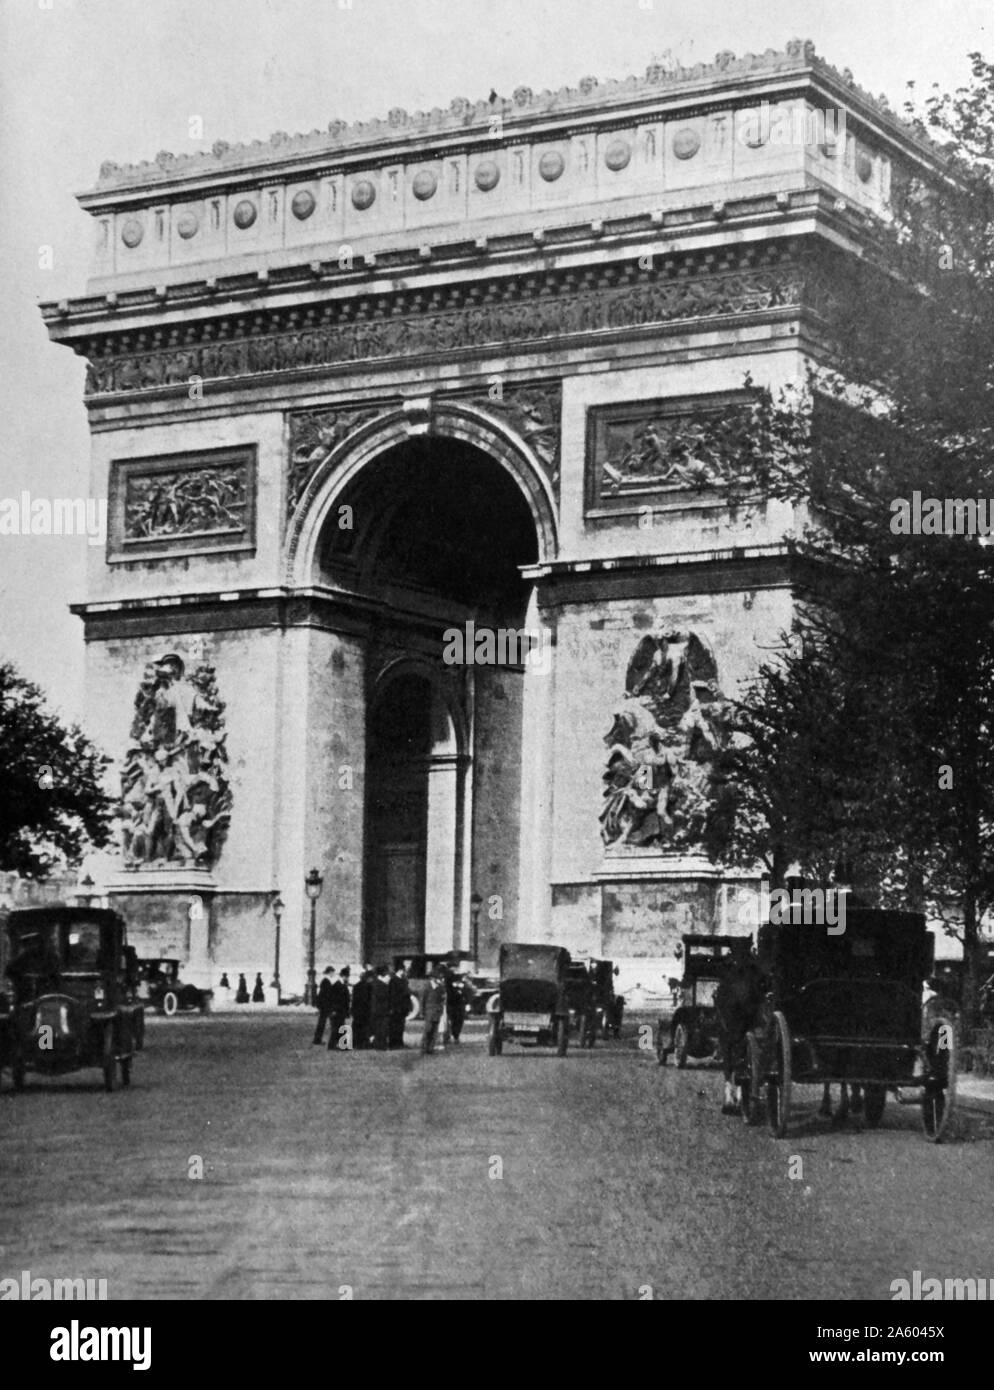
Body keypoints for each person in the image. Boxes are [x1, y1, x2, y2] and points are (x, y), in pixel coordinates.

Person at [422, 965, 447, 1054]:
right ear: (433, 978)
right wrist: (422, 1011)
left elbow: (443, 997)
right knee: (428, 1029)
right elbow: (423, 1000)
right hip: (429, 1010)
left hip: (437, 1011)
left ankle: (430, 1048)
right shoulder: (427, 987)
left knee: (434, 1030)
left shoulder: (440, 987)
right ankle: (424, 1047)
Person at [388, 963, 412, 1049]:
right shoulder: (394, 980)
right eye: (404, 970)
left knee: (400, 1026)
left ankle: (399, 1042)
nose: (405, 972)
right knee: (395, 1026)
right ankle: (394, 1043)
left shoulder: (402, 980)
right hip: (397, 1007)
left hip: (402, 1008)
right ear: (400, 970)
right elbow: (393, 995)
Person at [328, 966, 351, 1052]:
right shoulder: (337, 985)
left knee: (341, 1027)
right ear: (344, 976)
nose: (348, 979)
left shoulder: (340, 985)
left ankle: (342, 1045)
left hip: (341, 1010)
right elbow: (333, 999)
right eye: (347, 977)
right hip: (337, 1010)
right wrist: (333, 1010)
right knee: (336, 1028)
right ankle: (332, 1045)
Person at [369, 964, 392, 1049]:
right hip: (381, 1010)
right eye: (386, 972)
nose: (388, 974)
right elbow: (383, 996)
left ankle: (380, 1044)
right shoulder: (380, 984)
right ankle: (381, 1045)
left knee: (380, 1027)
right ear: (383, 973)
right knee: (382, 1028)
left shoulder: (375, 982)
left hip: (376, 1009)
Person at [351, 965, 373, 1049]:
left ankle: (355, 1043)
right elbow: (368, 1000)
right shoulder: (369, 987)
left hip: (356, 1010)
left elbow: (354, 999)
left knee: (356, 1027)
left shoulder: (356, 986)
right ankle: (363, 1043)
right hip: (365, 1010)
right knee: (365, 1027)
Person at [313, 966, 336, 1044]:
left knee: (323, 1022)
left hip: (324, 1005)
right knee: (331, 1022)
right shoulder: (326, 981)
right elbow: (327, 995)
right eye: (333, 972)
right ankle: (333, 1040)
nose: (333, 974)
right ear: (330, 972)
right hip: (326, 1005)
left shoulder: (325, 981)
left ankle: (317, 1039)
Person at [446, 969, 467, 1044]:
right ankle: (453, 1036)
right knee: (453, 1021)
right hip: (453, 1005)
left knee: (458, 1021)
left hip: (458, 1005)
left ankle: (455, 1036)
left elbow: (467, 993)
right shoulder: (449, 984)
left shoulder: (462, 984)